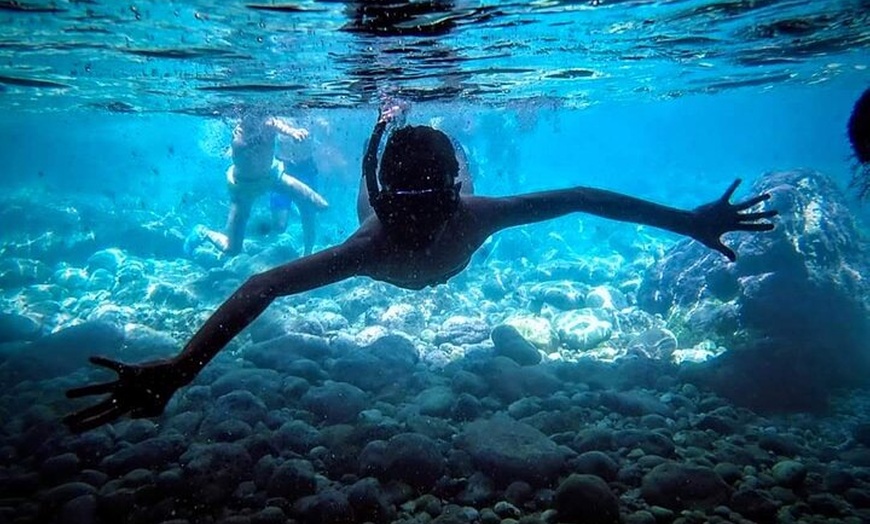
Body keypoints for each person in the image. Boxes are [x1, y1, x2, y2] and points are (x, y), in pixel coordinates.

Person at [64, 102, 778, 432]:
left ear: (456, 187)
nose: (441, 206)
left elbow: (584, 196)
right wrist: (181, 367)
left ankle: (384, 127)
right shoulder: (389, 235)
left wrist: (184, 366)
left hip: (392, 205)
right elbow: (261, 285)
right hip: (378, 205)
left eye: (449, 189)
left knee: (394, 168)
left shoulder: (455, 216)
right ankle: (380, 127)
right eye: (434, 194)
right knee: (373, 177)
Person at [184, 112, 329, 257]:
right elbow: (243, 145)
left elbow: (277, 125)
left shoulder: (267, 124)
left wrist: (293, 132)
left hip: (273, 177)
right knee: (232, 249)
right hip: (243, 189)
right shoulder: (239, 135)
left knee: (321, 205)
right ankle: (204, 232)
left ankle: (304, 248)